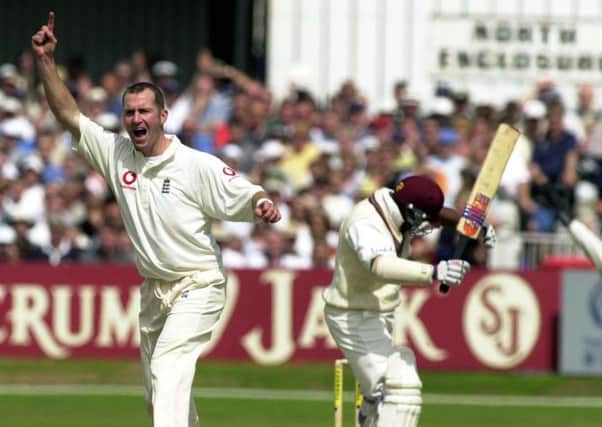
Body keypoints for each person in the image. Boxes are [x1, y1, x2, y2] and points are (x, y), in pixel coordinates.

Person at [32, 12, 281, 427]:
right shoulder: (117, 153)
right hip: (154, 290)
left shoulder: (193, 163)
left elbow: (246, 190)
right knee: (160, 393)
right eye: (130, 112)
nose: (136, 120)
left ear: (163, 116)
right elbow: (69, 115)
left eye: (145, 111)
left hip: (198, 283)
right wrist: (45, 61)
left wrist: (261, 203)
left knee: (168, 370)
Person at [323, 175, 494, 427]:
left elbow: (439, 214)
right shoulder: (366, 224)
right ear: (411, 211)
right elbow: (379, 266)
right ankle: (373, 403)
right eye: (427, 220)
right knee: (402, 387)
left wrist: (475, 226)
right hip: (352, 315)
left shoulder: (399, 204)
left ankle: (371, 406)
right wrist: (434, 272)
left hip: (379, 310)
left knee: (392, 377)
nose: (432, 227)